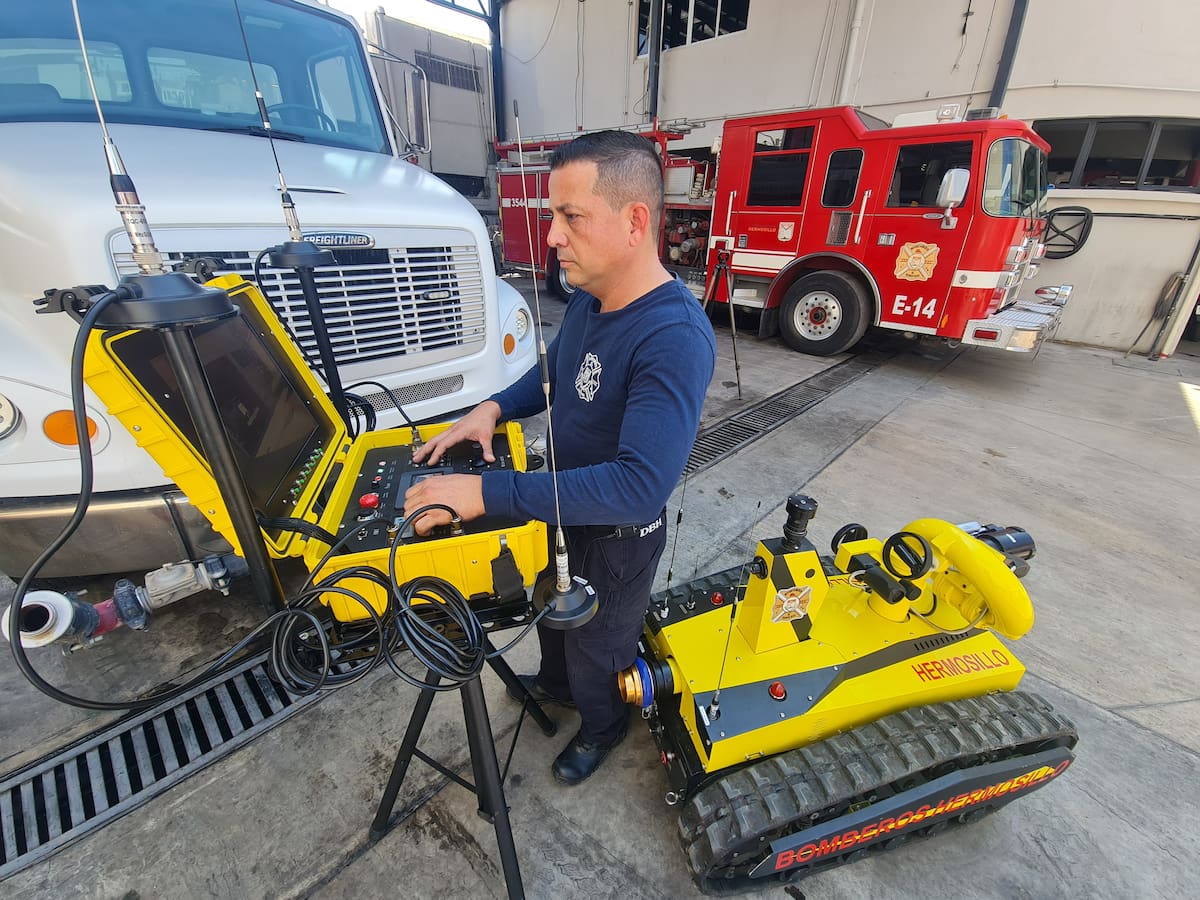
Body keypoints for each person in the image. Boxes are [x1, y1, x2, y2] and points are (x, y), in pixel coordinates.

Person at [403, 130, 716, 785]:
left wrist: (485, 495)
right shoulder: (589, 300)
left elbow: (637, 486)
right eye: (553, 216)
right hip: (561, 505)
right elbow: (550, 374)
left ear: (634, 221)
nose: (551, 236)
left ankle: (602, 725)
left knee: (599, 647)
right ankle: (557, 684)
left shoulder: (673, 336)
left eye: (570, 217)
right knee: (549, 612)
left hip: (618, 538)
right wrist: (492, 408)